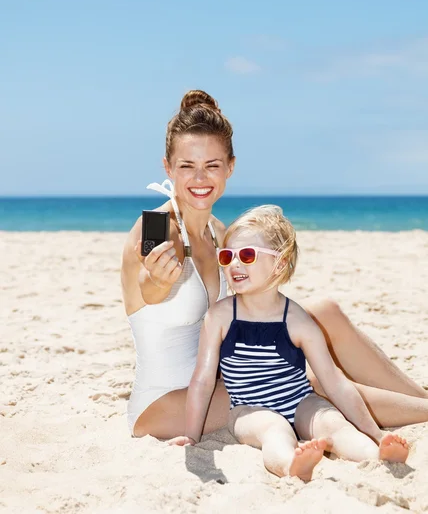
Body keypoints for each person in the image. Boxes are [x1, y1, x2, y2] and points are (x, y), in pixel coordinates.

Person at [121, 89, 428, 440]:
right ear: (168, 168)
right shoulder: (155, 229)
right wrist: (158, 282)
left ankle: (419, 400)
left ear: (230, 167)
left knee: (325, 313)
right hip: (167, 402)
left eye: (212, 165)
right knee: (302, 383)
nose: (200, 178)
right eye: (187, 166)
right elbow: (147, 284)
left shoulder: (220, 233)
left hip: (227, 372)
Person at [168, 205, 410, 480]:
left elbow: (334, 382)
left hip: (298, 400)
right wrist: (191, 435)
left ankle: (376, 453)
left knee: (332, 423)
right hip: (248, 409)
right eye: (227, 256)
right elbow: (202, 380)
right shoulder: (219, 317)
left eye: (247, 255)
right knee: (274, 428)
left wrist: (376, 433)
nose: (235, 264)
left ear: (280, 264)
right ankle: (289, 464)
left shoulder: (297, 320)